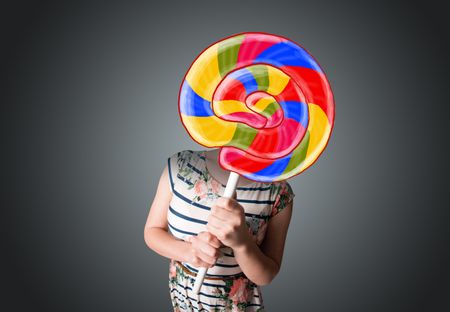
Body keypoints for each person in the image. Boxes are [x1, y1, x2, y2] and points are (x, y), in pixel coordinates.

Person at [144, 149, 294, 311]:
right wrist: (189, 251)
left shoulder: (278, 193)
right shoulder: (179, 165)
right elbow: (152, 231)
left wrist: (242, 243)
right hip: (184, 301)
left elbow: (266, 275)